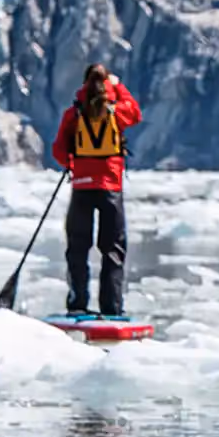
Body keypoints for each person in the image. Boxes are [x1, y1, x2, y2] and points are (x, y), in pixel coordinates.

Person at [52, 63, 142, 317]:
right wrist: (117, 86)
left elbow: (59, 150)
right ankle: (112, 308)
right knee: (112, 249)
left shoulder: (74, 113)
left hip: (81, 187)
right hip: (110, 187)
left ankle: (77, 303)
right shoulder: (116, 110)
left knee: (78, 248)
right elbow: (135, 113)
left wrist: (73, 164)